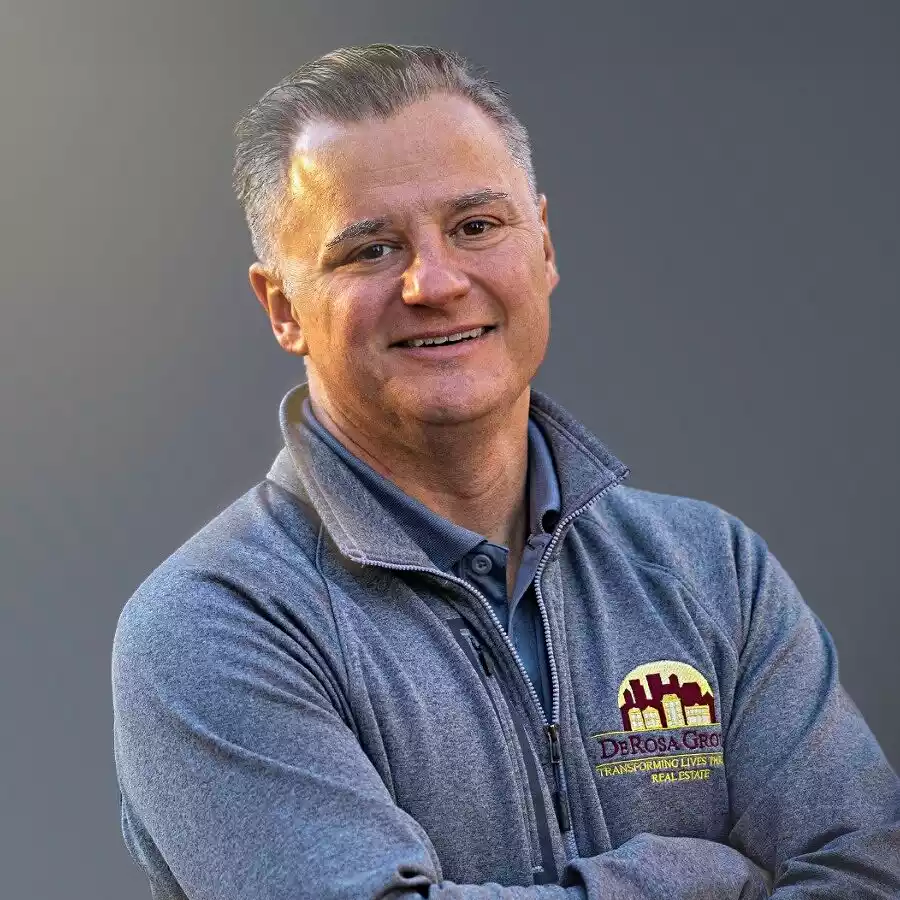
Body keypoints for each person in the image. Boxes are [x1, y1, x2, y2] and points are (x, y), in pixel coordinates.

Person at [111, 44, 900, 899]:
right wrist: (698, 880)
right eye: (370, 250)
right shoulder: (212, 626)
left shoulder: (713, 571)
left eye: (476, 227)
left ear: (544, 247)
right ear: (282, 308)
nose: (435, 282)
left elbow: (867, 869)